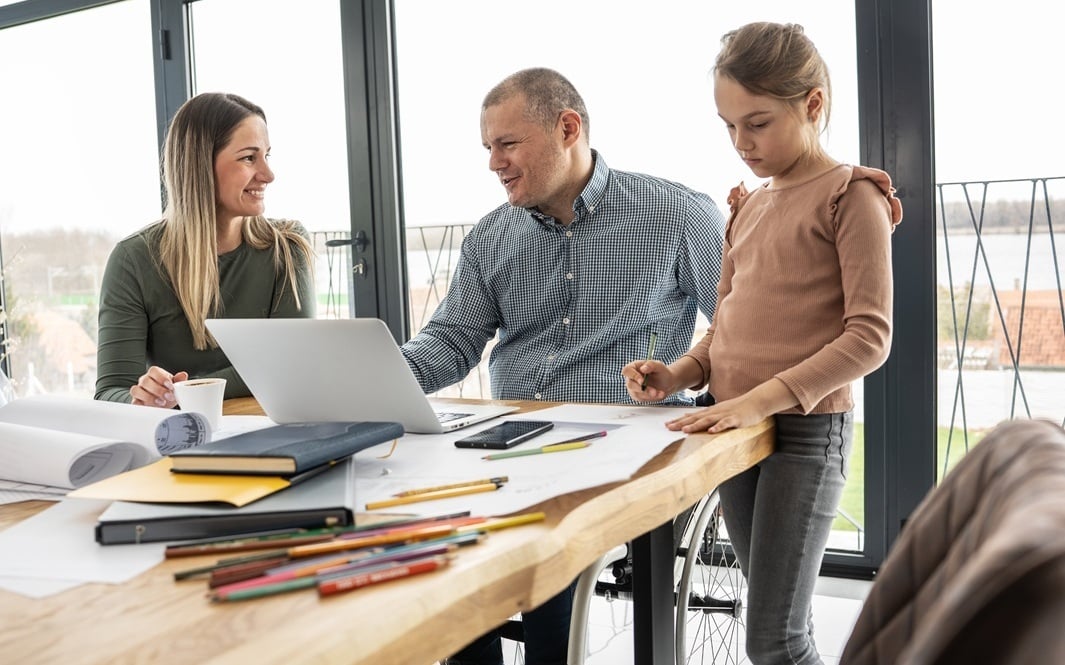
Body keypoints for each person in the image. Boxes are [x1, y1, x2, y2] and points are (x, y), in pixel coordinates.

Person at [401, 67, 726, 665]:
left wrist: (699, 386)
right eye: (487, 147)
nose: (493, 162)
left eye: (507, 143)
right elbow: (451, 342)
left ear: (567, 128)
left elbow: (735, 327)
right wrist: (377, 375)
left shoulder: (677, 215)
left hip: (624, 443)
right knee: (444, 552)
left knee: (546, 559)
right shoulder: (491, 239)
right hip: (509, 443)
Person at [623, 22, 903, 664]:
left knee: (774, 640)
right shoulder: (748, 206)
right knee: (780, 625)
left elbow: (870, 337)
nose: (741, 143)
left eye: (757, 123)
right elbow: (726, 323)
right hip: (736, 430)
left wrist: (759, 401)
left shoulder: (850, 195)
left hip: (805, 435)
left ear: (812, 105)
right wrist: (679, 372)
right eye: (728, 126)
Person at [95, 92, 315, 407]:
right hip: (185, 440)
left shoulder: (287, 245)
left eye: (267, 155)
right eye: (249, 158)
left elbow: (291, 364)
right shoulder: (134, 260)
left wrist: (186, 392)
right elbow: (110, 391)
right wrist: (141, 398)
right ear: (200, 166)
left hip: (272, 431)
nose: (268, 174)